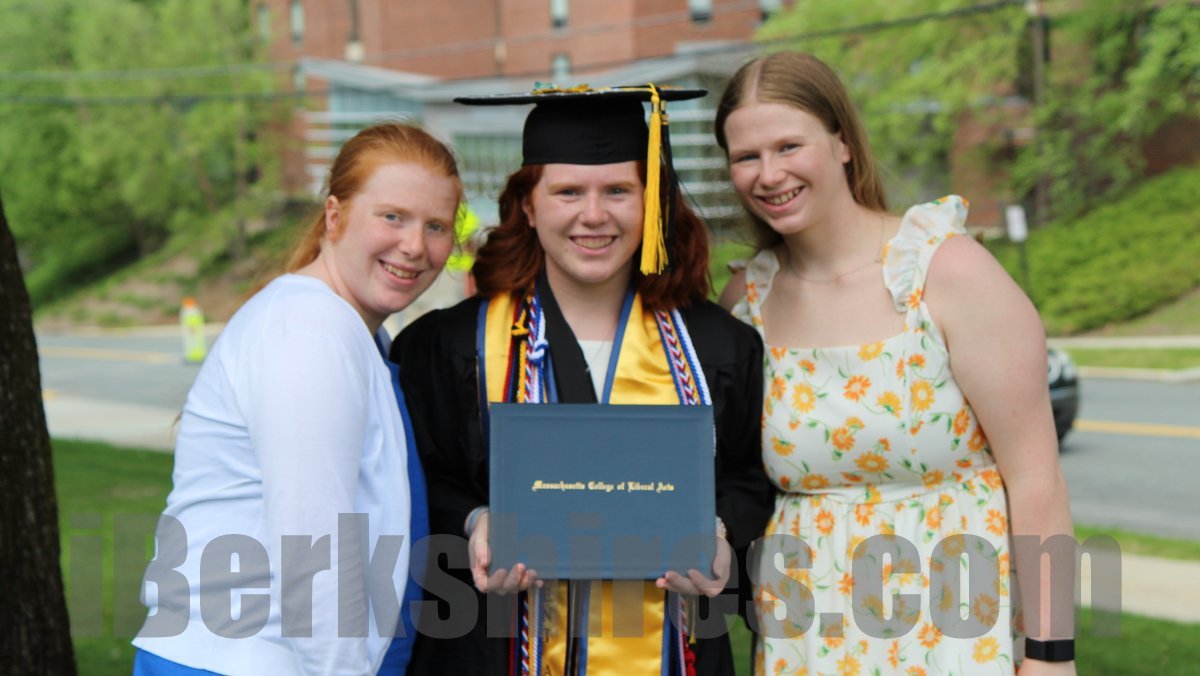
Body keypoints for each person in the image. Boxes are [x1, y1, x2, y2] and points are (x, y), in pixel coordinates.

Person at [392, 85, 774, 675]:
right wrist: (474, 522)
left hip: (670, 648)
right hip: (492, 648)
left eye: (618, 191)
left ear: (651, 202)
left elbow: (749, 476)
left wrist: (721, 534)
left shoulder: (717, 348)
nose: (593, 215)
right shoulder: (451, 347)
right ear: (528, 205)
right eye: (568, 191)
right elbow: (420, 480)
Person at [715, 52, 1076, 675]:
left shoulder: (944, 271)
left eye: (789, 146)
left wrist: (1050, 654)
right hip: (809, 637)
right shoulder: (747, 302)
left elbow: (1037, 478)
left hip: (954, 626)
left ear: (843, 144)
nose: (769, 174)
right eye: (747, 156)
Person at [132, 123, 463, 675]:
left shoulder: (345, 328)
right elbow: (314, 551)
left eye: (436, 226)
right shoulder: (309, 330)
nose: (414, 245)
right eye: (392, 217)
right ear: (335, 215)